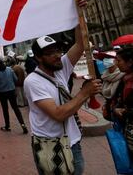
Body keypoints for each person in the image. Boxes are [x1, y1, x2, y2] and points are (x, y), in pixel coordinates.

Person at [24, 24, 102, 175]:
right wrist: (85, 92)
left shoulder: (59, 68)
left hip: (73, 143)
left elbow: (80, 44)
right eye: (51, 52)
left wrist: (79, 14)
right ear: (39, 58)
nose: (58, 55)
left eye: (58, 50)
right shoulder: (33, 81)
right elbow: (58, 114)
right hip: (51, 146)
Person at [0, 55, 28, 134]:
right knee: (16, 108)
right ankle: (23, 125)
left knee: (5, 109)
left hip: (1, 93)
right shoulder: (9, 69)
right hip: (11, 91)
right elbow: (15, 79)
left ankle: (7, 125)